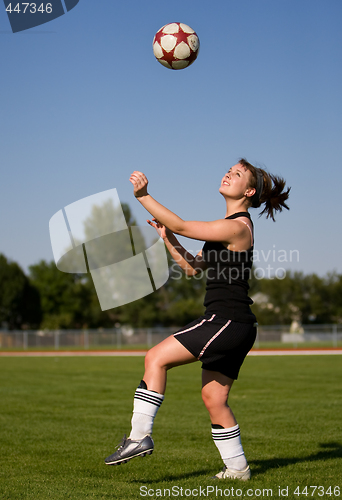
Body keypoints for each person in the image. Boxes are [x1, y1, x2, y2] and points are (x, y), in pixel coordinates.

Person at [105, 158, 290, 480]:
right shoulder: (226, 227)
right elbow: (192, 267)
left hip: (226, 321)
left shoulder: (237, 226)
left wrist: (143, 196)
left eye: (236, 174)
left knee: (155, 358)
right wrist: (167, 238)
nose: (227, 174)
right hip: (236, 324)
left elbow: (183, 225)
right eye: (228, 170)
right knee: (214, 398)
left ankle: (138, 437)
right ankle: (238, 469)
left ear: (248, 191)